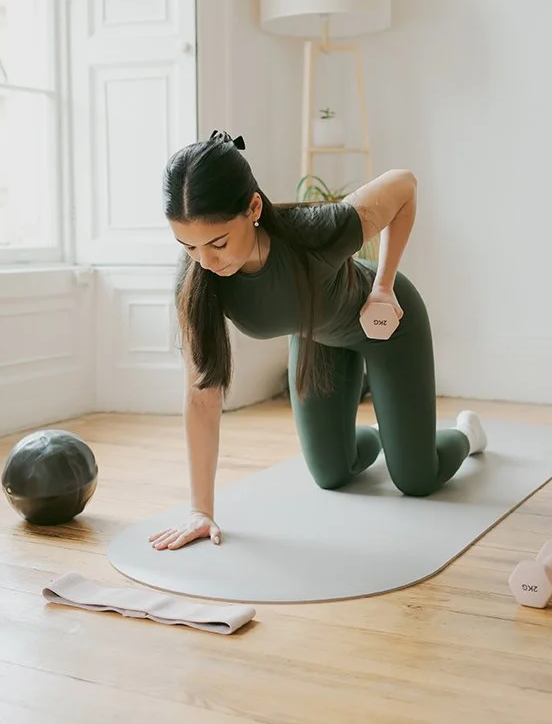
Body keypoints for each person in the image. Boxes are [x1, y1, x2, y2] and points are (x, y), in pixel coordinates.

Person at [148, 130, 487, 551]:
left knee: (417, 479)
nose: (206, 261)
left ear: (254, 207)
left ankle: (466, 435)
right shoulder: (198, 280)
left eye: (217, 242)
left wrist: (383, 285)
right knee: (332, 474)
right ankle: (395, 430)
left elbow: (404, 184)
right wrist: (201, 510)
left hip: (385, 327)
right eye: (188, 246)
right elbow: (202, 397)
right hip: (318, 339)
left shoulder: (313, 234)